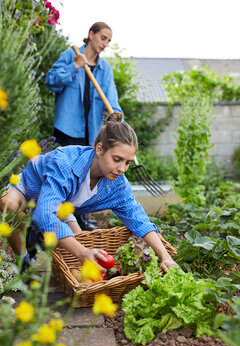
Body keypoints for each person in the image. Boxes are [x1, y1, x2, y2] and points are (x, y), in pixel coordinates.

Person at [0, 118, 177, 273]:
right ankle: (23, 259)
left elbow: (138, 218)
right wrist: (81, 252)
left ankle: (38, 233)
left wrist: (165, 256)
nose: (122, 169)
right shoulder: (64, 163)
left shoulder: (117, 184)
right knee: (8, 204)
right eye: (117, 159)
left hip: (61, 201)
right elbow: (44, 213)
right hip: (29, 190)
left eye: (128, 162)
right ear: (99, 149)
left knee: (80, 244)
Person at [46, 22, 123, 230]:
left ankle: (82, 219)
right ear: (91, 34)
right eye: (102, 37)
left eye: (108, 40)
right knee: (67, 175)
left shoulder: (104, 69)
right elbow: (51, 81)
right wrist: (75, 66)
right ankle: (58, 218)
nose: (105, 43)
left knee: (88, 175)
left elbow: (111, 99)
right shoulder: (70, 55)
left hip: (91, 131)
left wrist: (116, 114)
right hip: (68, 127)